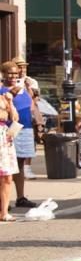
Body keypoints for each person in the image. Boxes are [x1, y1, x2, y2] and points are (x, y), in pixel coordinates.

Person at [0, 63, 37, 208]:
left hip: (24, 128)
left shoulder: (23, 88)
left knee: (20, 163)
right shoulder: (2, 90)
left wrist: (28, 89)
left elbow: (31, 105)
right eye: (10, 73)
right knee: (5, 166)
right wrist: (11, 95)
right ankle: (3, 201)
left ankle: (20, 197)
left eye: (16, 73)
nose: (14, 76)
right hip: (7, 131)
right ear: (3, 73)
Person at [0, 74, 19, 222]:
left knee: (7, 177)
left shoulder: (5, 98)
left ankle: (4, 212)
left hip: (4, 137)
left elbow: (15, 118)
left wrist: (10, 103)